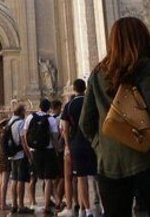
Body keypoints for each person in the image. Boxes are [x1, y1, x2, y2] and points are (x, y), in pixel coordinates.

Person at [79, 17, 150, 217]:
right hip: (147, 156)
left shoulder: (97, 74)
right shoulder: (144, 67)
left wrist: (101, 146)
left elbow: (85, 122)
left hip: (110, 165)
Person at [61, 79, 97, 217]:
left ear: (74, 89)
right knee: (97, 176)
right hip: (92, 143)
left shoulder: (69, 105)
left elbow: (65, 129)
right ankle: (104, 207)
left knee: (81, 178)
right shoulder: (91, 102)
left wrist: (67, 147)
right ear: (85, 88)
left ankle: (87, 210)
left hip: (77, 144)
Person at [23, 98, 61, 213]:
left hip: (35, 152)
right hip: (48, 151)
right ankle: (46, 205)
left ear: (39, 106)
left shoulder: (30, 117)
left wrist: (29, 149)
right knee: (48, 179)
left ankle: (33, 202)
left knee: (33, 178)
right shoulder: (50, 119)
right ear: (48, 108)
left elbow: (25, 135)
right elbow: (55, 137)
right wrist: (57, 151)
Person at [7, 104, 34, 214]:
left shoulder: (9, 123)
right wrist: (29, 156)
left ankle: (14, 204)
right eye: (25, 111)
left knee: (14, 180)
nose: (25, 113)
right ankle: (21, 205)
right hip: (20, 155)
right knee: (21, 180)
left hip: (12, 155)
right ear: (22, 112)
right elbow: (23, 142)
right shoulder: (20, 123)